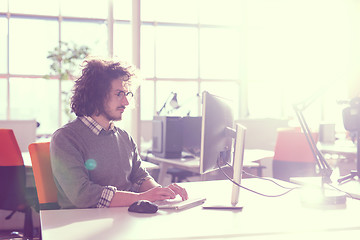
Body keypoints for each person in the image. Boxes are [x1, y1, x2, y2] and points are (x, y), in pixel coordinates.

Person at [50, 56, 188, 209]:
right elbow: (82, 195)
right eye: (119, 94)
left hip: (124, 218)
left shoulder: (124, 137)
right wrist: (141, 197)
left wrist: (161, 192)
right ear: (96, 95)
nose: (126, 102)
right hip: (82, 224)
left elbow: (140, 177)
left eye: (126, 94)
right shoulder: (65, 138)